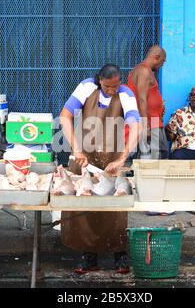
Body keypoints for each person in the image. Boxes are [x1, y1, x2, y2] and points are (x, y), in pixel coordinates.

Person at [59, 64, 140, 274]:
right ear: (100, 81)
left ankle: (120, 255)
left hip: (113, 157)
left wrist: (123, 158)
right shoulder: (86, 88)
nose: (113, 90)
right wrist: (76, 149)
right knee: (85, 205)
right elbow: (64, 116)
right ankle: (89, 256)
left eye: (116, 86)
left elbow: (135, 126)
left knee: (115, 206)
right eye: (108, 86)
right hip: (85, 155)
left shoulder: (126, 94)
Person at [127, 45, 168, 159]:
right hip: (150, 123)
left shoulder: (146, 71)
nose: (162, 65)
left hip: (155, 121)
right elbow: (142, 99)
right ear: (156, 57)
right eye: (162, 61)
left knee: (161, 156)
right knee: (152, 159)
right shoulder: (144, 70)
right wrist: (145, 127)